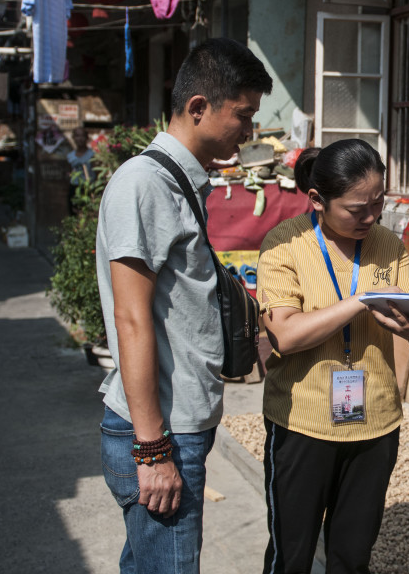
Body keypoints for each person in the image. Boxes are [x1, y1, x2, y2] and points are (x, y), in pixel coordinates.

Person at [95, 37, 272, 573]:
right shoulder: (145, 184)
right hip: (157, 432)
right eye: (242, 116)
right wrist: (152, 451)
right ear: (198, 108)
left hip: (175, 425)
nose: (249, 131)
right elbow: (131, 318)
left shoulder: (179, 181)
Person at [258, 139, 409, 574]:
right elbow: (285, 333)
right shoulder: (284, 244)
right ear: (318, 200)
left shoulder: (388, 245)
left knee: (352, 556)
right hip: (301, 422)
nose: (372, 217)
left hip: (375, 423)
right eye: (357, 209)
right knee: (291, 555)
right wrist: (362, 300)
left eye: (378, 203)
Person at [67, 127, 95, 213]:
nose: (80, 139)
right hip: (74, 188)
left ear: (87, 138)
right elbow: (69, 173)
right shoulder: (70, 156)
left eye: (82, 136)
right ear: (73, 138)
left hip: (89, 187)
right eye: (77, 136)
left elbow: (96, 172)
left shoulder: (92, 155)